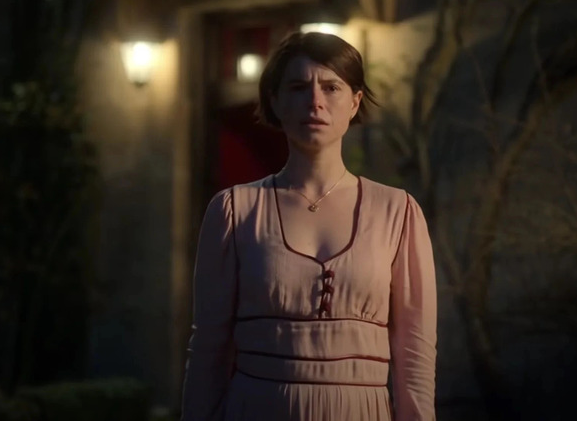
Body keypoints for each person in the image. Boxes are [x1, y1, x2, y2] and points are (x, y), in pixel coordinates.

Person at [181, 31, 437, 421]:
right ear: (275, 101)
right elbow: (208, 349)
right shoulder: (235, 210)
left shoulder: (397, 212)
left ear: (355, 102)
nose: (315, 101)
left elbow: (415, 351)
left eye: (331, 87)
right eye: (299, 87)